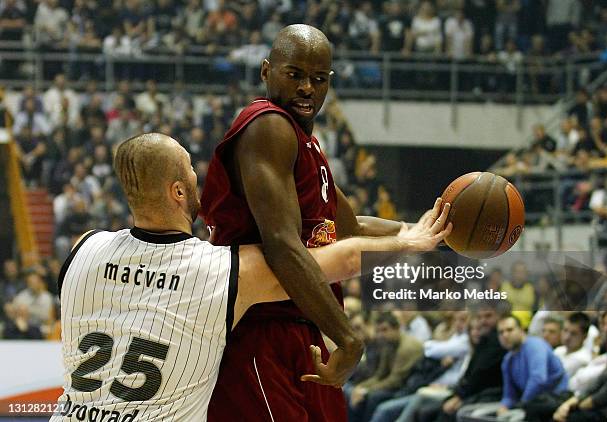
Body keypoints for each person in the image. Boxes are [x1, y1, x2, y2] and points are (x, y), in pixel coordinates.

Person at [51, 133, 452, 421]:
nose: (198, 177)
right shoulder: (217, 270)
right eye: (191, 169)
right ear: (177, 191)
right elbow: (338, 260)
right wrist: (411, 239)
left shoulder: (83, 248)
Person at [199, 24, 448, 421]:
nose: (307, 88)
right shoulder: (268, 126)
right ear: (266, 71)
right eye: (294, 74)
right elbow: (282, 244)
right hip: (258, 328)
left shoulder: (306, 143)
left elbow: (348, 229)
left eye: (318, 79)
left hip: (301, 330)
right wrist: (348, 337)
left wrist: (419, 231)